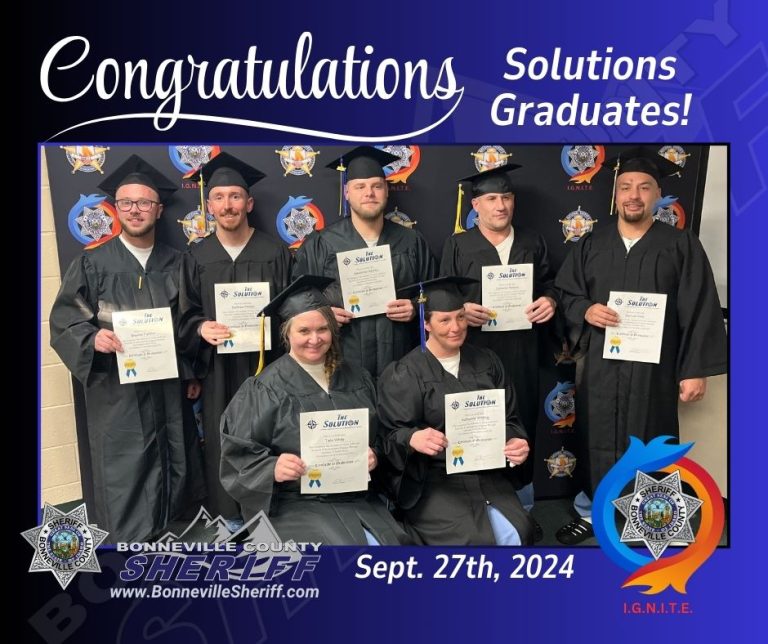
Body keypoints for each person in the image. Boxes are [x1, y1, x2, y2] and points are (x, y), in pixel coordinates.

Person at [554, 147, 727, 544]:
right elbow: (566, 294)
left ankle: (650, 517)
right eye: (626, 187)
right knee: (595, 435)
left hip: (655, 368)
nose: (634, 194)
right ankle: (590, 510)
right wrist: (585, 310)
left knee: (651, 435)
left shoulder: (680, 245)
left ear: (657, 196)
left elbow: (699, 307)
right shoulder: (591, 243)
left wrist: (694, 369)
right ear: (616, 195)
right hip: (599, 365)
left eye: (644, 187)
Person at [49, 155, 205, 542]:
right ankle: (128, 542)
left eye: (145, 202)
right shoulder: (92, 263)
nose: (136, 210)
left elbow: (188, 320)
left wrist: (191, 370)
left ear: (159, 209)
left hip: (168, 384)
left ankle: (173, 533)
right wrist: (91, 338)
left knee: (174, 453)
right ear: (115, 208)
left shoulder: (178, 262)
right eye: (127, 203)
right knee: (125, 461)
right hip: (117, 388)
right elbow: (65, 320)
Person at [220, 275, 409, 545]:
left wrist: (375, 456)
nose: (315, 339)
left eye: (322, 329)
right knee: (342, 561)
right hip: (295, 503)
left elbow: (383, 435)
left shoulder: (359, 378)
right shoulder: (264, 387)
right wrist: (272, 467)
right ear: (287, 333)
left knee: (393, 552)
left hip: (357, 497)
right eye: (304, 331)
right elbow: (237, 454)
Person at [440, 164, 558, 540]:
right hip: (476, 353)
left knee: (520, 422)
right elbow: (445, 298)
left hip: (523, 349)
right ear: (476, 204)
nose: (500, 205)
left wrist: (549, 301)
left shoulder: (533, 240)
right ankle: (478, 506)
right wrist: (463, 311)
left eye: (506, 197)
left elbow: (553, 285)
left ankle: (522, 507)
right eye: (491, 198)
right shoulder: (458, 245)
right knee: (476, 425)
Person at [177, 152, 293, 528]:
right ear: (208, 206)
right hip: (218, 367)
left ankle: (272, 512)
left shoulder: (275, 252)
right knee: (221, 434)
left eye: (235, 196)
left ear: (249, 202)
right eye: (219, 197)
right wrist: (199, 328)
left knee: (268, 431)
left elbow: (291, 310)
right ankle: (228, 515)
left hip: (266, 365)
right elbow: (185, 310)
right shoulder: (197, 255)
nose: (228, 205)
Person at [377, 276, 535, 546]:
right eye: (445, 320)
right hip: (433, 479)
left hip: (486, 473)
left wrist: (515, 440)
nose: (456, 327)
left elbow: (510, 419)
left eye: (461, 317)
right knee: (470, 539)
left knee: (518, 531)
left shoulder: (487, 361)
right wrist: (412, 438)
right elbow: (390, 436)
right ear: (425, 323)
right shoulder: (405, 372)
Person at [293, 146, 437, 380]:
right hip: (341, 361)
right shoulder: (320, 243)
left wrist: (415, 308)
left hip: (402, 363)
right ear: (347, 192)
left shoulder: (412, 242)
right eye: (360, 186)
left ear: (387, 191)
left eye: (377, 186)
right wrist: (321, 315)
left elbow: (434, 293)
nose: (369, 193)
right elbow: (297, 298)